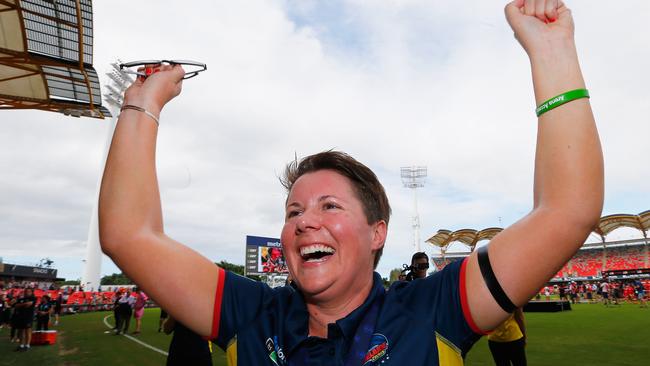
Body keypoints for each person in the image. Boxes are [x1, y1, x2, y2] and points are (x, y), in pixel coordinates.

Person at [97, 1, 603, 364]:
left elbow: (567, 209)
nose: (304, 223)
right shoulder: (248, 315)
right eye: (293, 212)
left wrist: (551, 52)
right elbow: (128, 235)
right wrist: (142, 105)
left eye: (329, 207)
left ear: (377, 232)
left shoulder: (434, 310)